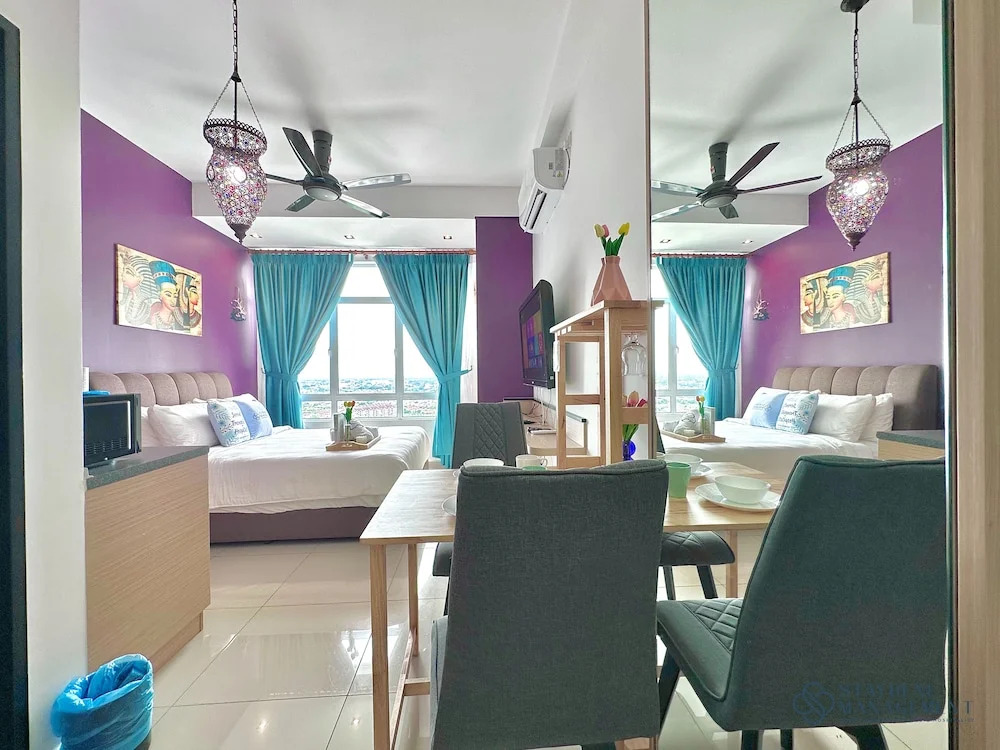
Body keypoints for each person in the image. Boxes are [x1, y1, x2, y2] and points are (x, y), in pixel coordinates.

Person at [148, 260, 181, 331]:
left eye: (175, 296)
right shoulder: (153, 319)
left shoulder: (176, 320)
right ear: (160, 295)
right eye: (168, 295)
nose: (173, 300)